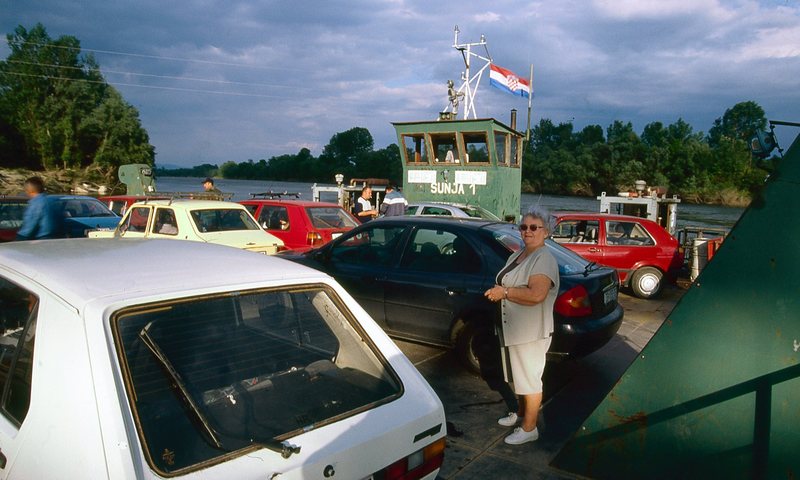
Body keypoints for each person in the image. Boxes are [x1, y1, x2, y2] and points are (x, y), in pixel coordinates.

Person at [484, 207, 559, 445]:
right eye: (524, 227)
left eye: (534, 227)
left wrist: (504, 292)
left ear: (546, 232)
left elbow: (537, 294)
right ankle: (519, 413)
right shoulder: (519, 254)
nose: (528, 231)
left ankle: (529, 428)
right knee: (517, 376)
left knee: (529, 379)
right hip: (513, 329)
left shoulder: (543, 258)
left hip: (530, 332)